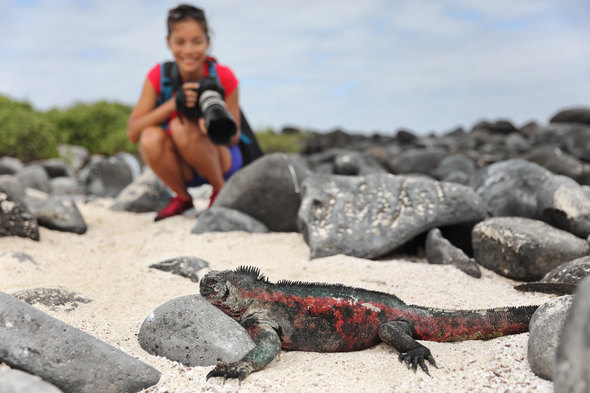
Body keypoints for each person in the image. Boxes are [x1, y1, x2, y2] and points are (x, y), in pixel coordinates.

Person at [127, 4, 242, 221]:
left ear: (208, 42)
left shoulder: (224, 77)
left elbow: (234, 136)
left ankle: (220, 190)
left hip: (220, 158)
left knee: (180, 127)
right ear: (168, 42)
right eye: (180, 42)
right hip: (183, 167)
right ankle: (182, 197)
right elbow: (133, 132)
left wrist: (212, 126)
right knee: (151, 136)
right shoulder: (159, 76)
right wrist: (172, 105)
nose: (188, 50)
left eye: (197, 42)